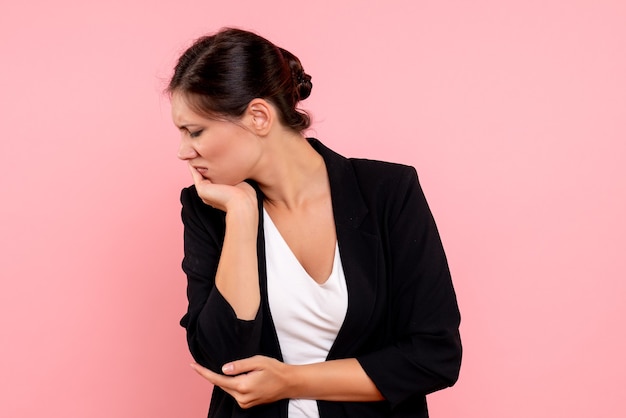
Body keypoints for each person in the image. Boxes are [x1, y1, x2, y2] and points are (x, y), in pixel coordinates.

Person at [168, 27, 462, 418]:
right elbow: (223, 359)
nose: (183, 152)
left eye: (195, 131)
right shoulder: (207, 208)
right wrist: (241, 216)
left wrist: (291, 380)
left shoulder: (388, 192)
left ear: (258, 116)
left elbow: (434, 355)